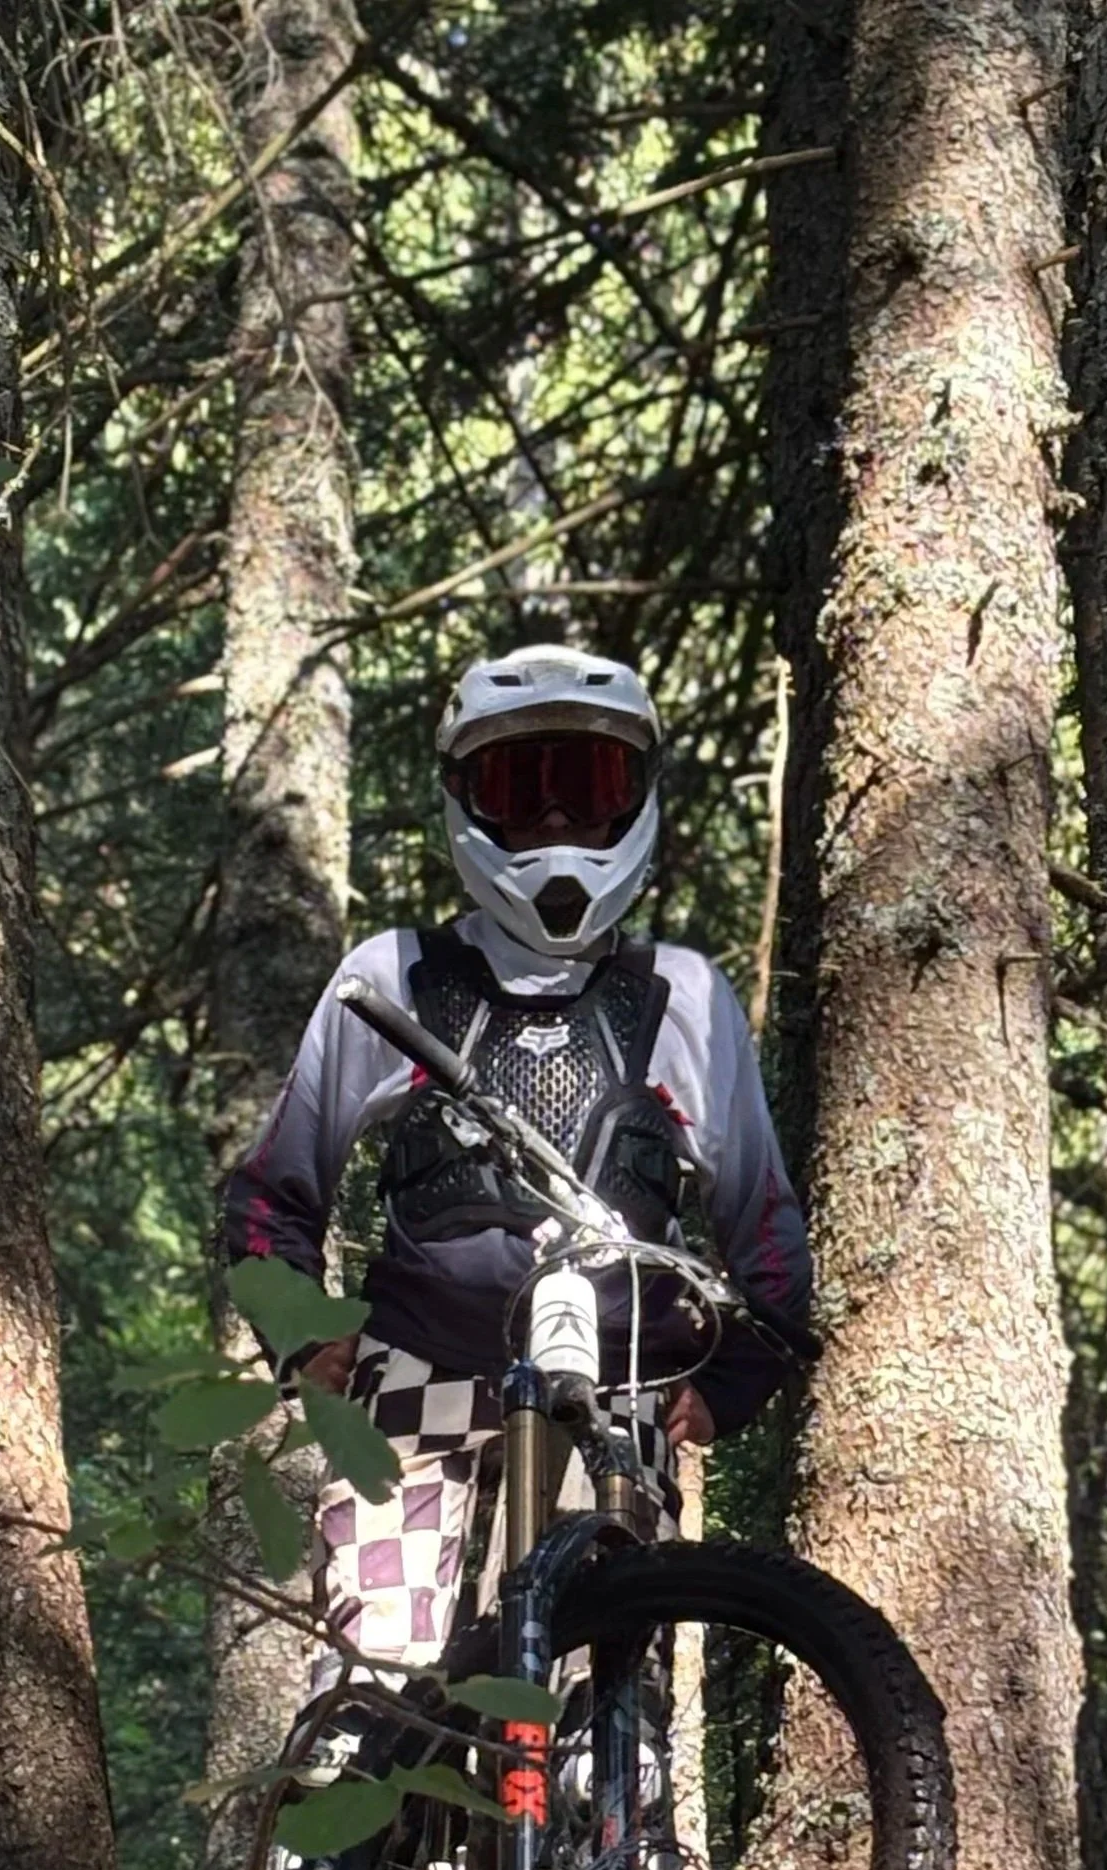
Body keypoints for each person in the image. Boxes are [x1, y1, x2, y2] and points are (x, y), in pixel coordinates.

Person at [220, 642, 812, 1681]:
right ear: (466, 799)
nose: (553, 822)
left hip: (617, 1388)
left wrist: (736, 1380)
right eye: (519, 790)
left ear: (635, 799)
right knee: (372, 1683)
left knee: (602, 1695)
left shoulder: (680, 995)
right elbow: (276, 1186)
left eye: (587, 787)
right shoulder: (393, 975)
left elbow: (760, 1215)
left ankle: (595, 1783)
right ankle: (354, 1785)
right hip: (415, 1379)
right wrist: (303, 1335)